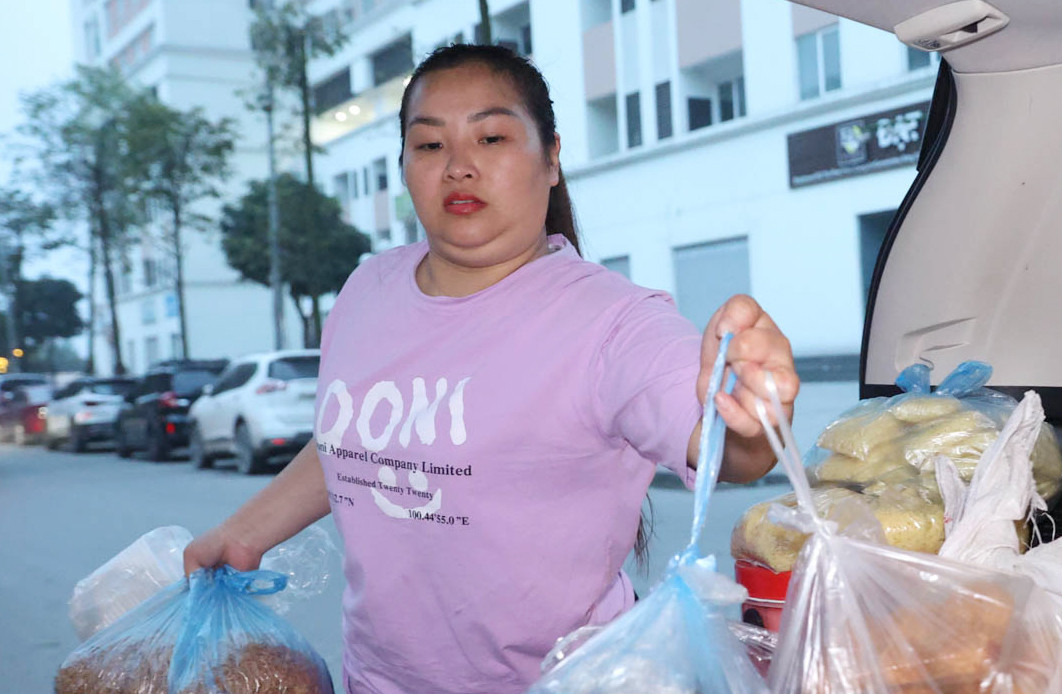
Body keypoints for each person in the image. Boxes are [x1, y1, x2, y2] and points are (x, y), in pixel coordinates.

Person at [184, 43, 799, 694]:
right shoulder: (368, 289)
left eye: (492, 136)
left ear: (552, 157)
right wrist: (245, 531)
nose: (458, 167)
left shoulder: (613, 322)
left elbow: (725, 445)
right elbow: (362, 440)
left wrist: (752, 415)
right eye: (429, 146)